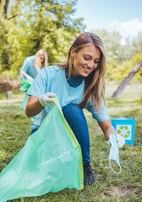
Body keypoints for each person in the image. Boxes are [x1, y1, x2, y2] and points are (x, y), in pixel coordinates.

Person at [25, 32, 124, 186]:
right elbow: (29, 111)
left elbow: (107, 126)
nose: (91, 65)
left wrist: (113, 137)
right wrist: (42, 101)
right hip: (44, 136)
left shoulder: (91, 86)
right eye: (87, 58)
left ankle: (84, 166)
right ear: (73, 53)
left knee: (72, 110)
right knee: (42, 174)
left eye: (96, 61)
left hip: (67, 142)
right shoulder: (48, 74)